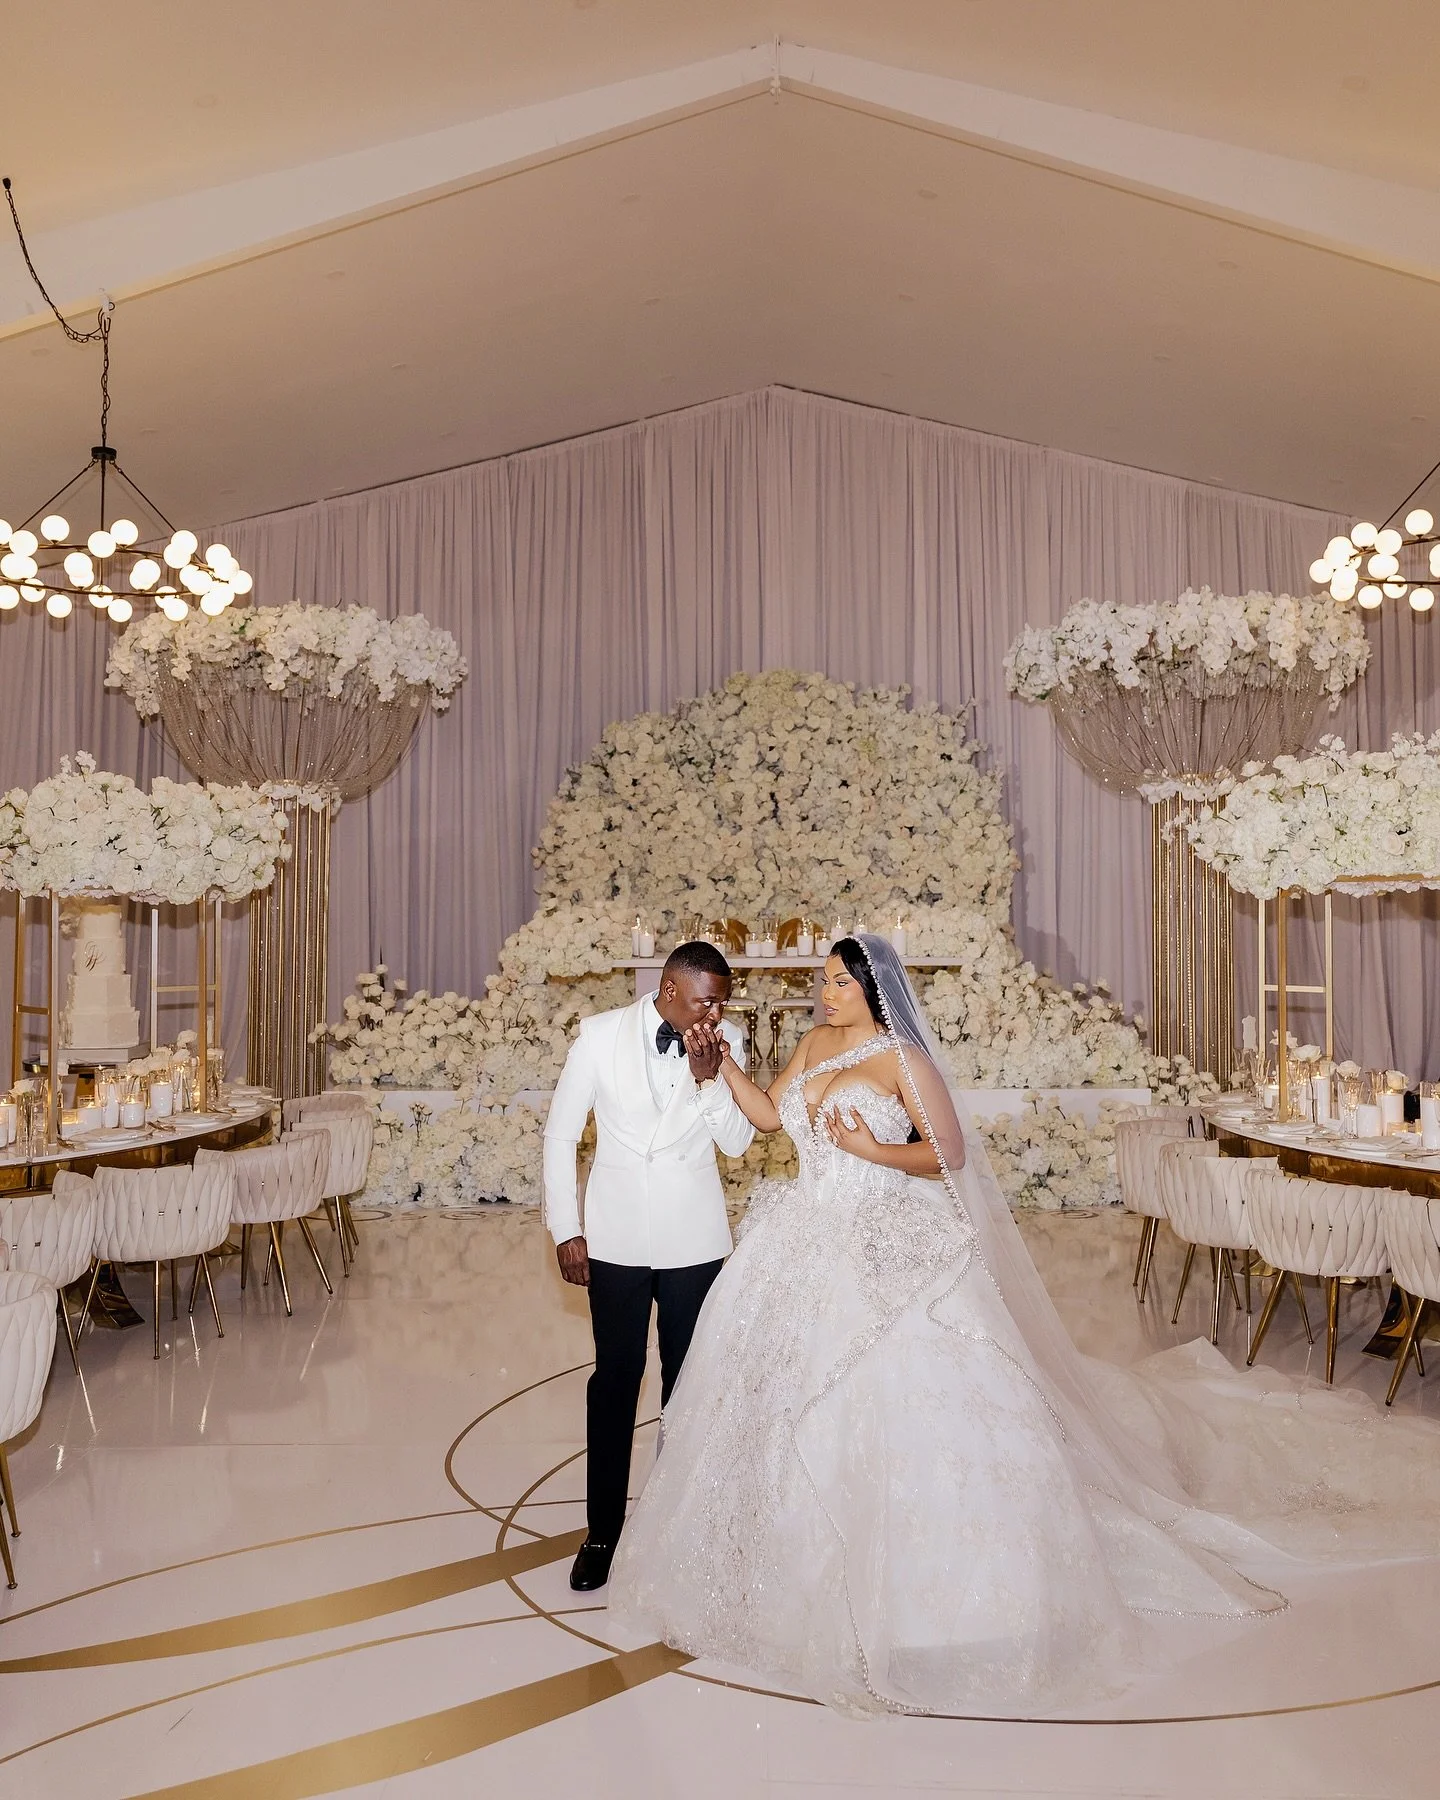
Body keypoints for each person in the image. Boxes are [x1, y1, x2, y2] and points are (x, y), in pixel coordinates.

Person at [608, 934, 1440, 1717]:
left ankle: (934, 1595)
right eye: (822, 981)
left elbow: (948, 1154)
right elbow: (766, 1118)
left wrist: (872, 1153)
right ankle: (775, 1570)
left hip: (883, 1231)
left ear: (870, 988)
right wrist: (718, 1069)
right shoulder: (813, 1045)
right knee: (774, 1397)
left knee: (904, 1393)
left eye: (836, 981)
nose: (823, 993)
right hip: (803, 1236)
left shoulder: (903, 1059)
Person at [543, 940, 754, 1593]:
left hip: (695, 1239)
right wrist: (566, 1229)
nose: (716, 1013)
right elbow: (560, 1134)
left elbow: (738, 1144)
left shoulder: (727, 1043)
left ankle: (678, 1529)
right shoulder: (598, 1035)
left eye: (722, 1002)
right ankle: (601, 1535)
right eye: (707, 1001)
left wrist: (709, 1078)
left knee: (688, 1385)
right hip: (617, 1237)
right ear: (669, 989)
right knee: (615, 1382)